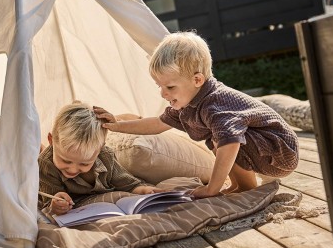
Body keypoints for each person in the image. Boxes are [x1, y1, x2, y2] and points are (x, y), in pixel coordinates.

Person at [94, 31, 299, 199]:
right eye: (160, 86)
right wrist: (116, 124)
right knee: (216, 138)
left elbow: (231, 145)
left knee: (224, 139)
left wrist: (212, 188)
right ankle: (239, 184)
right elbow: (157, 124)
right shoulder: (188, 103)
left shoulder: (215, 103)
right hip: (265, 149)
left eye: (170, 86)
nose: (163, 93)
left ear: (198, 79)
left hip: (279, 152)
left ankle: (246, 187)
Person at [38, 101, 162, 216]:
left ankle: (126, 117)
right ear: (51, 140)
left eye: (84, 163)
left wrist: (144, 190)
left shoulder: (105, 156)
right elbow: (49, 200)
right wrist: (56, 203)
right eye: (66, 161)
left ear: (100, 149)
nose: (73, 169)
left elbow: (128, 183)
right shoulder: (46, 163)